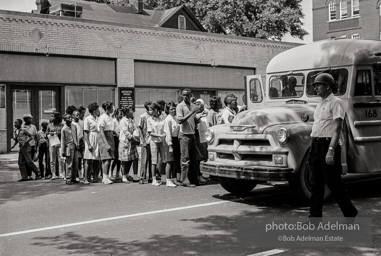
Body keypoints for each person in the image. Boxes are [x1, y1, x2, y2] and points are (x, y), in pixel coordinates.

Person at [309, 73, 358, 218]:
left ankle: (350, 213)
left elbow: (338, 128)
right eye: (315, 85)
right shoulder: (319, 104)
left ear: (328, 86)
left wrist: (330, 150)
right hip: (316, 144)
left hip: (328, 145)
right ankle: (314, 218)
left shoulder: (336, 102)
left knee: (333, 184)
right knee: (315, 183)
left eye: (318, 85)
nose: (316, 88)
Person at [176, 88, 200, 187]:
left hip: (192, 134)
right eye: (184, 95)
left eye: (187, 95)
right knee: (185, 159)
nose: (185, 97)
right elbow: (180, 120)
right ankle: (184, 180)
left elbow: (193, 119)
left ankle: (193, 178)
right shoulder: (180, 106)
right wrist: (191, 112)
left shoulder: (193, 105)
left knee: (194, 159)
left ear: (191, 95)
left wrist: (198, 117)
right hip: (184, 135)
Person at [147, 102, 166, 186]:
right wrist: (160, 135)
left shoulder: (162, 118)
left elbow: (165, 128)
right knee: (154, 160)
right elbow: (150, 132)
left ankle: (163, 178)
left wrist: (164, 134)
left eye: (151, 110)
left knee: (163, 159)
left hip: (162, 141)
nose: (150, 112)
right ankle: (154, 179)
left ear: (156, 110)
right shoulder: (149, 119)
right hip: (154, 141)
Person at [119, 106, 139, 183]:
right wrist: (134, 140)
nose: (132, 112)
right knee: (124, 160)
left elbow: (135, 129)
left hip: (132, 142)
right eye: (130, 110)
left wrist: (137, 138)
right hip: (125, 142)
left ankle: (135, 176)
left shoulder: (131, 120)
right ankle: (124, 176)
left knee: (135, 158)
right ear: (126, 112)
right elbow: (126, 133)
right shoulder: (123, 121)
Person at [98, 101, 115, 185]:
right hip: (105, 138)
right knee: (106, 159)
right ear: (107, 109)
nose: (113, 109)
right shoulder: (102, 118)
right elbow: (101, 131)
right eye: (111, 107)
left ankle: (106, 176)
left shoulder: (110, 117)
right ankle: (104, 177)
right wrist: (106, 143)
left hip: (111, 136)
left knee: (109, 158)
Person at [83, 102, 101, 184]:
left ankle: (95, 177)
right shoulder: (87, 119)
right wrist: (89, 144)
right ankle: (86, 178)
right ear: (93, 110)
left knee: (96, 159)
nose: (98, 110)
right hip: (90, 138)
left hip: (97, 138)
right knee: (88, 159)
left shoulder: (98, 118)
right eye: (97, 109)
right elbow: (86, 132)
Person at [164, 101, 180, 187]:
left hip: (176, 139)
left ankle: (174, 178)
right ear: (168, 110)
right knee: (169, 161)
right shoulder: (168, 119)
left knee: (175, 161)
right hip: (170, 141)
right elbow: (168, 133)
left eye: (174, 108)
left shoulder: (175, 118)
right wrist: (170, 146)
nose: (173, 110)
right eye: (171, 109)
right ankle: (168, 180)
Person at [194, 99, 209, 185]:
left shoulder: (205, 113)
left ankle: (201, 175)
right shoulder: (195, 115)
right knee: (197, 159)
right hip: (197, 138)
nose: (198, 106)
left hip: (204, 138)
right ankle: (197, 176)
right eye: (197, 104)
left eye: (200, 104)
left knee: (202, 158)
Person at [61, 114, 79, 185]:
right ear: (65, 120)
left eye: (70, 118)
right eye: (68, 118)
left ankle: (73, 178)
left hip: (75, 146)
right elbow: (63, 140)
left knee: (75, 162)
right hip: (68, 147)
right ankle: (68, 179)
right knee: (69, 163)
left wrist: (77, 144)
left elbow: (76, 136)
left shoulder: (74, 126)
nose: (70, 119)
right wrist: (63, 151)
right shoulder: (64, 129)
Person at [47, 112, 64, 180]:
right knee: (52, 159)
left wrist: (59, 133)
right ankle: (53, 173)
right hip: (52, 143)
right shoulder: (49, 125)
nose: (51, 118)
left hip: (60, 143)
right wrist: (50, 133)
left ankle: (61, 173)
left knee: (61, 159)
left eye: (53, 116)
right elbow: (46, 134)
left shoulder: (61, 125)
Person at [138, 101, 152, 184]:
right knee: (144, 160)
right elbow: (139, 128)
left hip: (152, 140)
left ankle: (151, 176)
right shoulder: (143, 116)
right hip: (145, 141)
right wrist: (142, 140)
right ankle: (142, 177)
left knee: (152, 160)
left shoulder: (153, 116)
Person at [22, 114, 39, 180]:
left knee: (30, 161)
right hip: (24, 146)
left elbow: (36, 137)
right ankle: (27, 175)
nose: (31, 120)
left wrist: (36, 146)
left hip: (32, 145)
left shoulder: (33, 127)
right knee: (26, 161)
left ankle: (30, 174)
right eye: (29, 119)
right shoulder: (22, 126)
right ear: (25, 120)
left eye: (31, 119)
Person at [110, 108, 123, 181]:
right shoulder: (114, 121)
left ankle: (118, 172)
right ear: (116, 114)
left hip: (120, 139)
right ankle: (111, 172)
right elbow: (112, 130)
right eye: (120, 114)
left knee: (119, 158)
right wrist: (116, 133)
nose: (121, 115)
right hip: (115, 140)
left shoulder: (120, 121)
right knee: (115, 157)